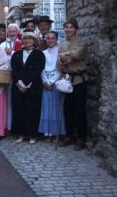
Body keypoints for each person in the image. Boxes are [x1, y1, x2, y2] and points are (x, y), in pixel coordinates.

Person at [57, 18, 88, 151]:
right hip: (67, 80)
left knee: (80, 111)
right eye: (66, 27)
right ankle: (70, 135)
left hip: (79, 80)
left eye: (71, 27)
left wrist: (65, 56)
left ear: (75, 29)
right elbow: (59, 63)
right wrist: (64, 60)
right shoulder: (62, 44)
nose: (68, 29)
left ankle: (81, 138)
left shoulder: (81, 42)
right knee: (67, 110)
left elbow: (77, 54)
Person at [11, 31, 45, 144]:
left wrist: (27, 84)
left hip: (33, 86)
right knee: (20, 110)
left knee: (33, 110)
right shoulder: (16, 54)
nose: (27, 41)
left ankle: (32, 134)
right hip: (18, 86)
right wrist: (19, 83)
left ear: (34, 41)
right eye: (25, 39)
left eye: (30, 39)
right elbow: (14, 69)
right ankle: (21, 133)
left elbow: (38, 70)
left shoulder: (39, 54)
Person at [38, 31, 65, 141]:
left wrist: (52, 82)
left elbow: (60, 69)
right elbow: (41, 69)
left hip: (56, 82)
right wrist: (45, 82)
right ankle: (47, 132)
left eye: (52, 38)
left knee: (56, 108)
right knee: (46, 108)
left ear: (56, 39)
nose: (50, 40)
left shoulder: (60, 52)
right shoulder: (43, 53)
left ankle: (56, 133)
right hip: (46, 82)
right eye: (48, 38)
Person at [0, 23, 22, 132]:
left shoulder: (21, 43)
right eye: (10, 31)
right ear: (7, 32)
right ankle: (6, 125)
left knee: (16, 100)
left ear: (17, 32)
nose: (12, 33)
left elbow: (21, 58)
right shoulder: (3, 44)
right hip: (5, 75)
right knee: (6, 100)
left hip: (17, 75)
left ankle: (15, 125)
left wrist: (12, 52)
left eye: (14, 31)